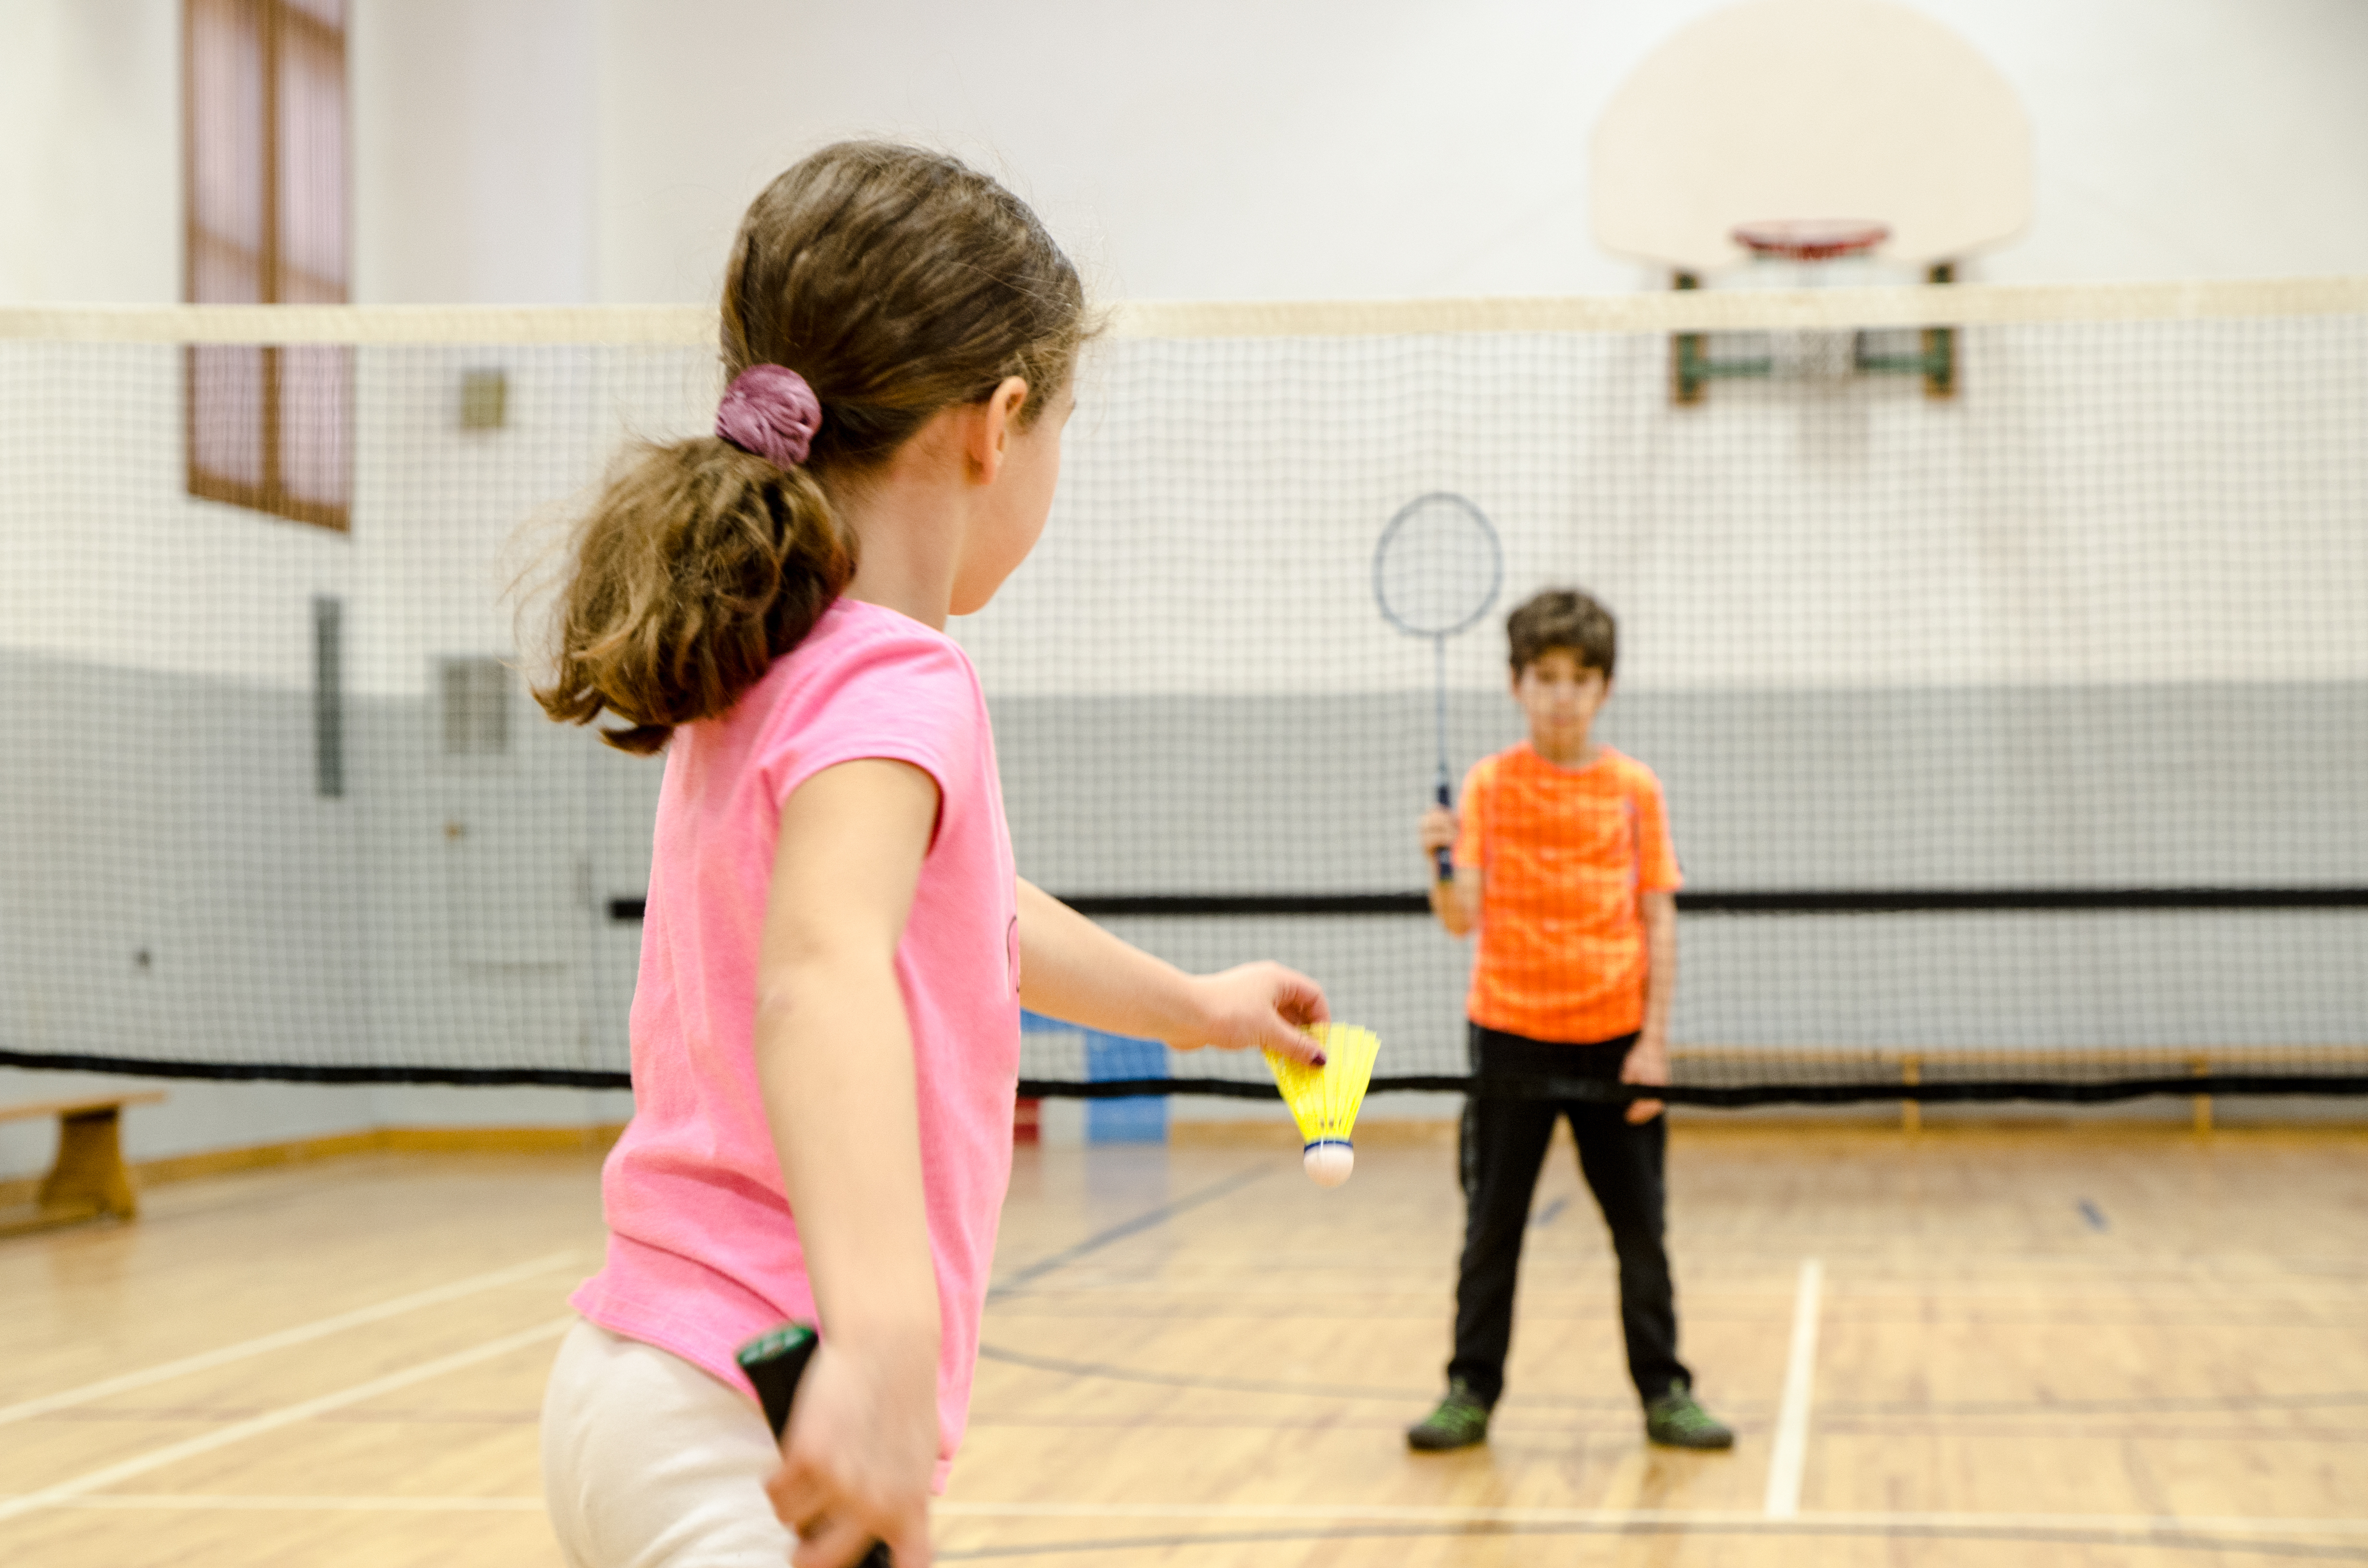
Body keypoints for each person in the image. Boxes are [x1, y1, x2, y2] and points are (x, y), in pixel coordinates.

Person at [531, 142, 1331, 1568]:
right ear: (999, 423)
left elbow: (968, 925)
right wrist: (885, 1337)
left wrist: (1198, 1008)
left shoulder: (769, 664)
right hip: (767, 1404)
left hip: (635, 1383)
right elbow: (824, 976)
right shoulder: (901, 682)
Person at [1405, 588, 1732, 1454]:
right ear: (1516, 685)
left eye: (1579, 679)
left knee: (1641, 1233)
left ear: (1605, 689)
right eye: (1544, 677)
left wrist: (1655, 1043)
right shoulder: (1488, 784)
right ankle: (1468, 1390)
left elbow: (1659, 916)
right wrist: (1438, 860)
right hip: (1507, 1037)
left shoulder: (1634, 790)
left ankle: (1665, 1392)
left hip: (1616, 1042)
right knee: (1491, 1228)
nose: (1561, 695)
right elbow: (1460, 917)